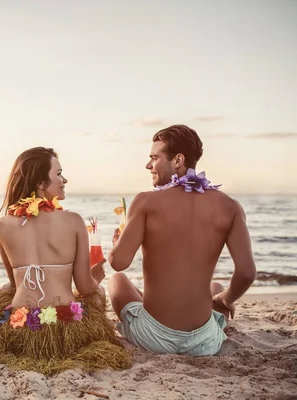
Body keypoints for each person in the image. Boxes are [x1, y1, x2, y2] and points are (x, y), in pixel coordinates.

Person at [0, 147, 131, 375]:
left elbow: (14, 283)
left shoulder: (3, 224)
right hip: (67, 324)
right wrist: (95, 278)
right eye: (59, 173)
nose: (64, 179)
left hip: (20, 325)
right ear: (40, 183)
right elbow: (84, 286)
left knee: (4, 291)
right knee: (96, 293)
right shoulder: (73, 221)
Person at [108, 124, 257, 356]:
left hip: (154, 337)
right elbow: (247, 273)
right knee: (216, 289)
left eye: (154, 158)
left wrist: (116, 245)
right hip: (204, 343)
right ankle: (215, 309)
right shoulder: (231, 207)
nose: (148, 165)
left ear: (178, 160)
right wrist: (228, 299)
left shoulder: (145, 202)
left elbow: (119, 263)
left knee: (117, 280)